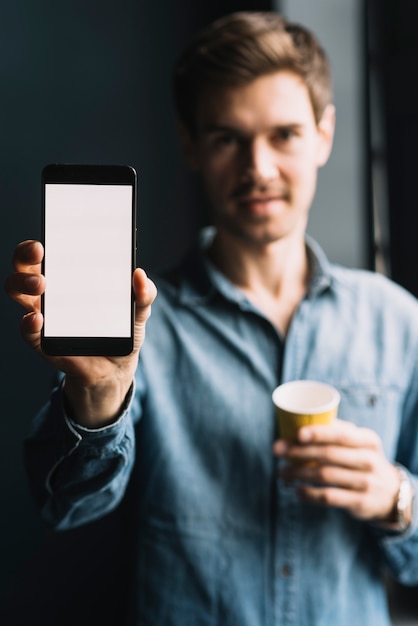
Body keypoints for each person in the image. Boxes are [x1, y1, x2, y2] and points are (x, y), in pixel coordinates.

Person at [4, 10, 418, 626]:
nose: (258, 167)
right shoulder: (147, 328)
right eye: (228, 137)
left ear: (324, 135)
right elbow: (67, 508)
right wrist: (99, 394)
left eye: (284, 135)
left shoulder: (397, 319)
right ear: (191, 144)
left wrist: (398, 500)